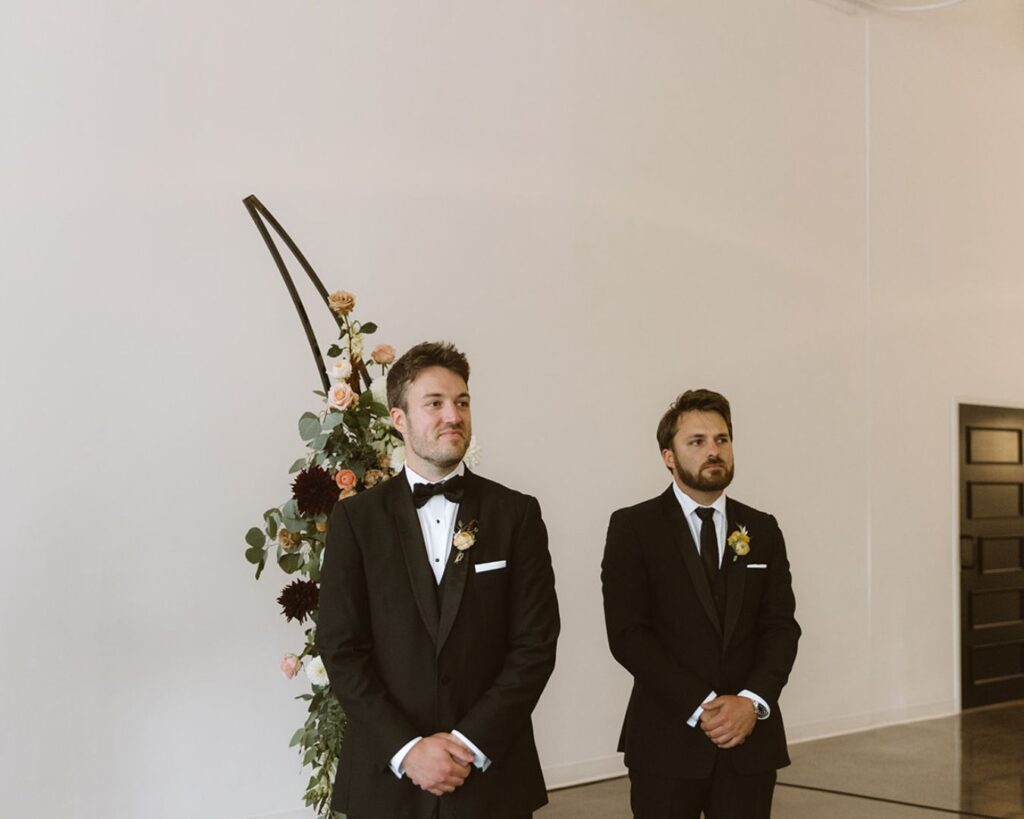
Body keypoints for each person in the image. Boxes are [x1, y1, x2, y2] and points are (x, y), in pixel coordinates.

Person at [316, 341, 560, 819]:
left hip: (492, 777)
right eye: (435, 403)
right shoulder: (355, 522)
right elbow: (341, 648)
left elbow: (535, 644)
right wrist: (408, 749)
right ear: (399, 419)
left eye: (462, 402)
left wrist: (468, 743)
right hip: (386, 784)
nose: (454, 415)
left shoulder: (517, 514)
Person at [601, 389, 800, 819]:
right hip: (666, 742)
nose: (714, 451)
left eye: (722, 439)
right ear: (668, 456)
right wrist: (703, 706)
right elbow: (628, 635)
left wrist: (751, 701)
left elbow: (781, 627)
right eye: (697, 441)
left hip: (750, 741)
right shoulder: (632, 528)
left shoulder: (762, 529)